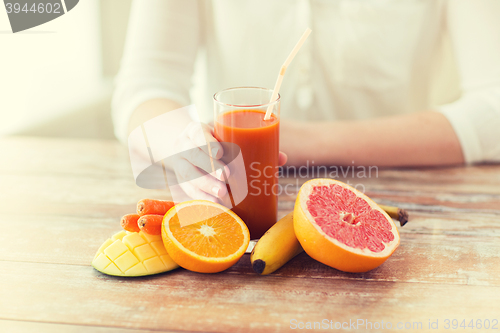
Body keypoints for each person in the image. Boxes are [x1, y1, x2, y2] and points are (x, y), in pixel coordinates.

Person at [113, 0, 500, 202]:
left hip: (397, 204)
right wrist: (187, 148)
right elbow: (144, 86)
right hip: (234, 196)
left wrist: (296, 142)